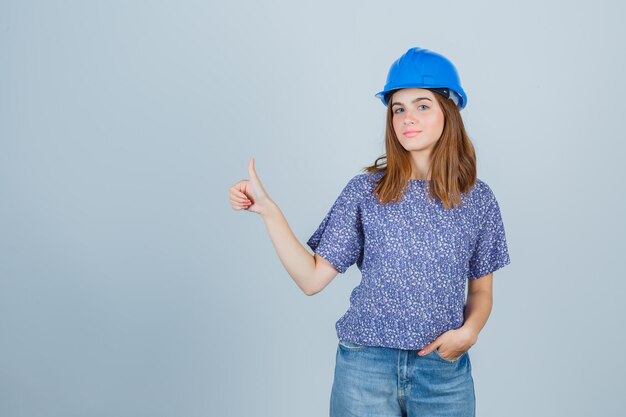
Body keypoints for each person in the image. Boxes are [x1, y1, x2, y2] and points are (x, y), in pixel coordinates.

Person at [229, 46, 511, 417]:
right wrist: (269, 212)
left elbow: (481, 291)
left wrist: (469, 333)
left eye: (422, 105)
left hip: (443, 373)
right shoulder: (366, 192)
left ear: (449, 112)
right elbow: (312, 279)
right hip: (366, 370)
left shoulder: (478, 199)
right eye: (398, 108)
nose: (407, 118)